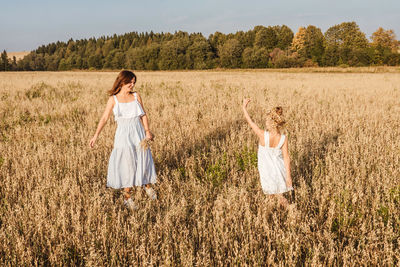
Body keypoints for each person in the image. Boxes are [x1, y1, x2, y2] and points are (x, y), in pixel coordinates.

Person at [89, 70, 157, 210]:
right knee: (128, 164)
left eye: (134, 82)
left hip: (138, 133)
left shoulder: (136, 96)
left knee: (143, 159)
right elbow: (104, 118)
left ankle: (148, 187)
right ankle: (127, 198)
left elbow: (143, 115)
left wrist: (147, 131)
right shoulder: (113, 99)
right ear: (121, 82)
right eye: (129, 82)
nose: (132, 85)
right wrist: (96, 135)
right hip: (123, 136)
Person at [242, 98, 293, 206]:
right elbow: (286, 158)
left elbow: (250, 122)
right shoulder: (283, 138)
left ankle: (291, 211)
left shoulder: (262, 135)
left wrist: (244, 108)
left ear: (270, 123)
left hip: (266, 171)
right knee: (277, 195)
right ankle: (281, 212)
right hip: (279, 170)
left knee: (275, 196)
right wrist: (288, 176)